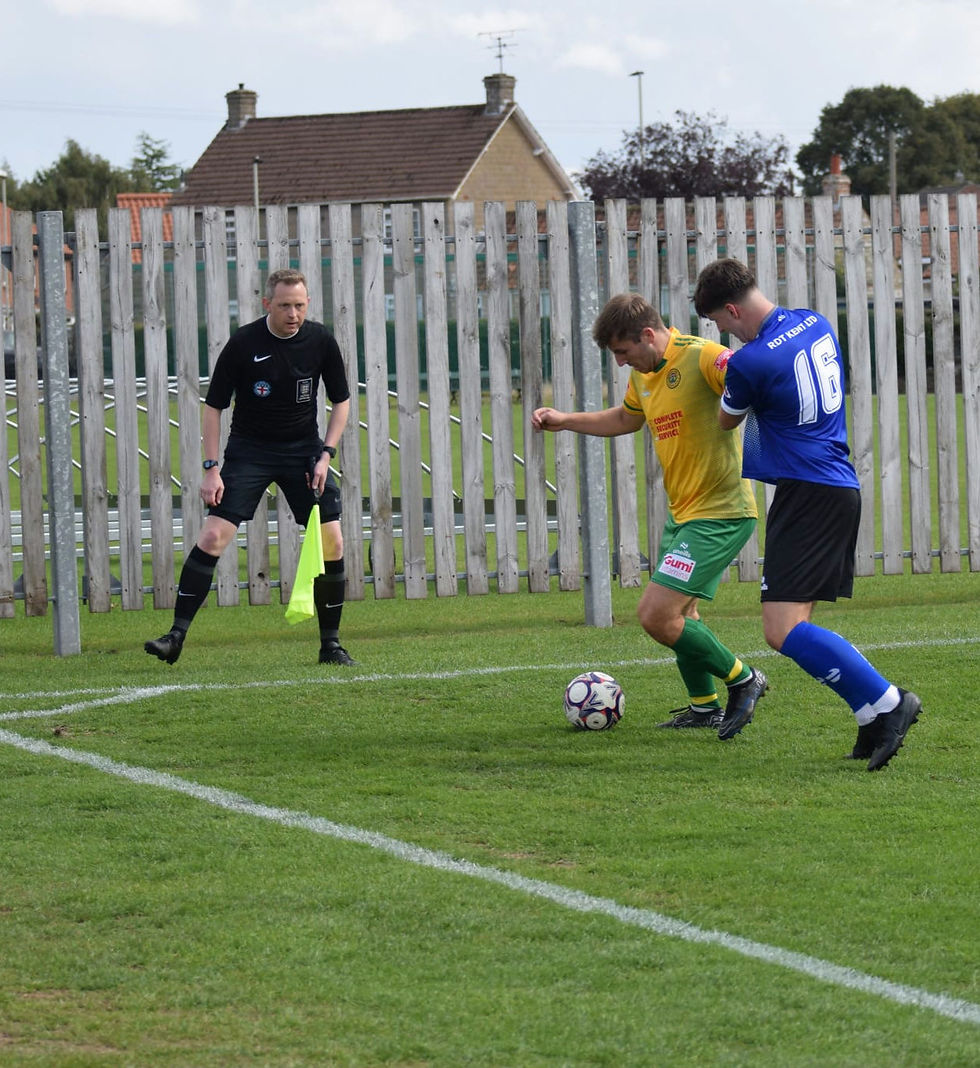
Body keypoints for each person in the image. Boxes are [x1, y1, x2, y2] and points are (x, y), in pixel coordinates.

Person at [693, 257, 921, 770]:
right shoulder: (813, 320)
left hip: (808, 492)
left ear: (731, 309)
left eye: (720, 324)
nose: (723, 334)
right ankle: (869, 717)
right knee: (799, 620)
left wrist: (730, 369)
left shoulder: (749, 361)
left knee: (780, 629)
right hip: (835, 484)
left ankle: (889, 702)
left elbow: (727, 419)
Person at [532, 293, 768, 736]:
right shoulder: (644, 377)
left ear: (647, 334)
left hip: (721, 512)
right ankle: (704, 707)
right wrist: (565, 420)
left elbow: (747, 374)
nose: (621, 363)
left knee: (657, 616)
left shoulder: (700, 357)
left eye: (623, 352)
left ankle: (743, 678)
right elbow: (625, 418)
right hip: (685, 514)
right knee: (683, 615)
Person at [145, 268, 356, 667]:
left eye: (299, 305)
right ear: (267, 305)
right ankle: (174, 637)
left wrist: (326, 454)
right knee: (212, 538)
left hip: (303, 453)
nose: (292, 313)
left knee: (333, 543)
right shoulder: (244, 343)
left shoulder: (321, 340)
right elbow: (213, 408)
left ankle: (331, 646)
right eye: (284, 306)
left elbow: (341, 401)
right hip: (249, 451)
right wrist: (211, 468)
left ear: (307, 304)